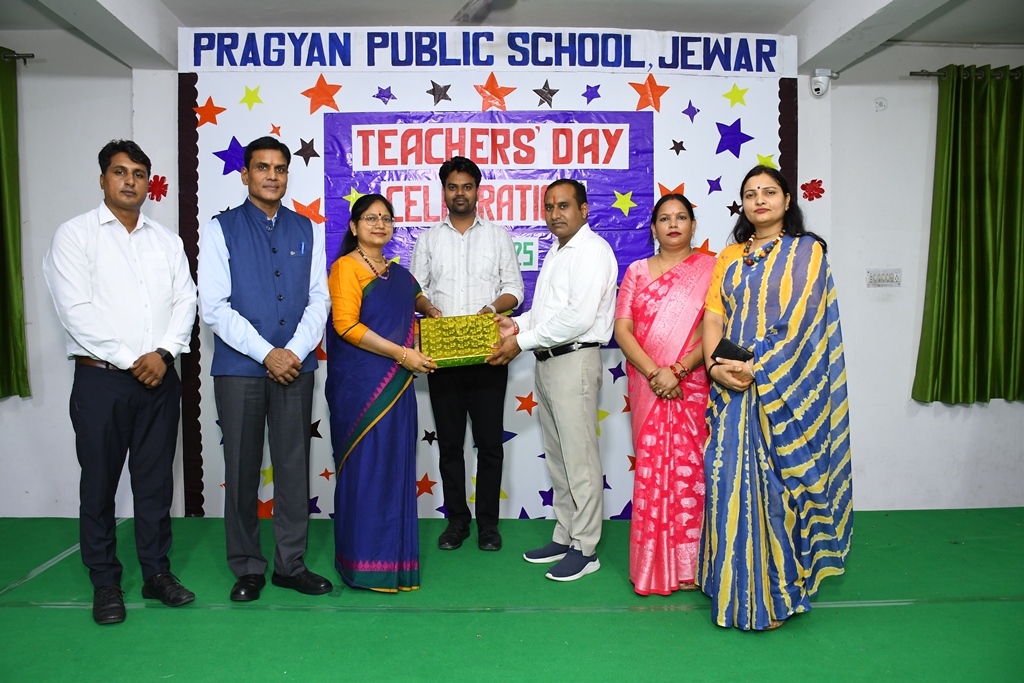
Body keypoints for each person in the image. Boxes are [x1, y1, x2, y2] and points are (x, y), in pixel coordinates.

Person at [43, 140, 198, 624]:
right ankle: (105, 582)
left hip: (161, 379)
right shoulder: (75, 236)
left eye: (138, 173)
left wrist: (163, 354)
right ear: (103, 179)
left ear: (148, 182)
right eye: (119, 172)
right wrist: (134, 360)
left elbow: (186, 302)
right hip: (102, 381)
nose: (130, 181)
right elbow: (75, 311)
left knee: (155, 484)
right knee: (99, 484)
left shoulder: (166, 241)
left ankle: (157, 573)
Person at [697, 165, 853, 630]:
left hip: (783, 388)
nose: (759, 200)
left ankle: (777, 594)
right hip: (730, 387)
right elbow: (713, 319)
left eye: (769, 192)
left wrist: (757, 367)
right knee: (727, 482)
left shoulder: (808, 251)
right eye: (750, 194)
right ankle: (734, 588)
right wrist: (716, 368)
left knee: (777, 489)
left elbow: (804, 322)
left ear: (787, 200)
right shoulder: (729, 256)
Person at [198, 136, 332, 602]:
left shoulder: (308, 229)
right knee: (242, 468)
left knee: (294, 467)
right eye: (262, 167)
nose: (272, 176)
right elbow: (214, 306)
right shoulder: (221, 229)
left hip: (296, 366)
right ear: (245, 174)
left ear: (287, 175)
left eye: (280, 168)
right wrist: (266, 354)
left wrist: (291, 352)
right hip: (239, 370)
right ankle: (247, 567)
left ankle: (290, 565)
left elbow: (319, 299)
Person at [488, 179, 618, 582]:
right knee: (559, 458)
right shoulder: (557, 252)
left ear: (584, 210)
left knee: (579, 460)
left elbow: (578, 319)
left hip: (574, 360)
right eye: (549, 207)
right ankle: (565, 535)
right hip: (548, 360)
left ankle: (586, 548)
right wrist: (516, 324)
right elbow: (548, 314)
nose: (555, 214)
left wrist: (520, 342)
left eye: (564, 205)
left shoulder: (593, 251)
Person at [410, 156, 524, 552]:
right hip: (443, 356)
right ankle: (456, 521)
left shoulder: (498, 236)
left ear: (478, 191)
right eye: (453, 186)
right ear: (444, 191)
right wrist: (428, 308)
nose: (460, 193)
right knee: (450, 444)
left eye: (467, 186)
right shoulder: (429, 239)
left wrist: (492, 308)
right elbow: (416, 289)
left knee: (490, 443)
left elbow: (515, 289)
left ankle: (488, 525)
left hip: (488, 354)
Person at [326, 193, 439, 592]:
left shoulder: (398, 275)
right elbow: (346, 326)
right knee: (367, 470)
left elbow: (416, 299)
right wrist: (402, 354)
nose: (380, 224)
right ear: (354, 226)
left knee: (394, 468)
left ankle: (395, 564)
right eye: (371, 218)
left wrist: (432, 313)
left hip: (398, 386)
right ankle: (362, 564)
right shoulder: (345, 268)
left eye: (386, 218)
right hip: (362, 389)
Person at [613, 194, 715, 596]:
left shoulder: (711, 270)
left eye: (681, 217)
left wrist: (679, 370)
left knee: (693, 472)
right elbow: (623, 330)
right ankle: (655, 565)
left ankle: (694, 565)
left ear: (693, 225)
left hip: (693, 384)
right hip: (648, 384)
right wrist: (656, 372)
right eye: (665, 218)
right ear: (654, 228)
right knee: (653, 470)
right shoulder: (637, 271)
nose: (673, 224)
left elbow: (715, 329)